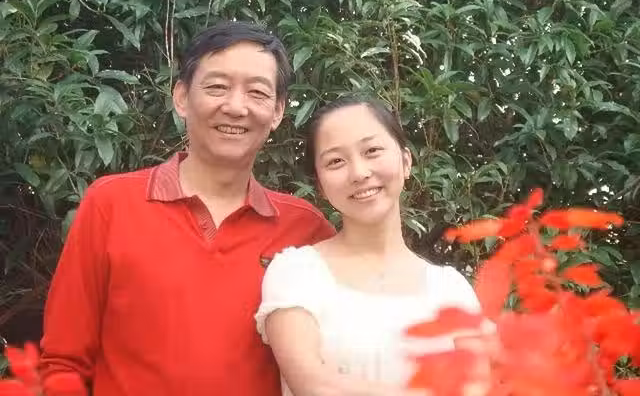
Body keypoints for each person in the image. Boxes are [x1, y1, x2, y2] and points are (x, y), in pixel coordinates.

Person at [39, 21, 335, 396]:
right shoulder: (111, 204)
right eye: (217, 87)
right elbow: (63, 362)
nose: (236, 107)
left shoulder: (305, 229)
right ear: (181, 97)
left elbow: (348, 349)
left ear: (277, 111)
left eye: (257, 92)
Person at [255, 96, 487, 396]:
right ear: (321, 186)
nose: (359, 173)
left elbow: (478, 386)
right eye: (336, 161)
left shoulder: (450, 288)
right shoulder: (296, 272)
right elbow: (313, 384)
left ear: (406, 161)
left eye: (372, 151)